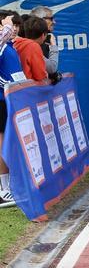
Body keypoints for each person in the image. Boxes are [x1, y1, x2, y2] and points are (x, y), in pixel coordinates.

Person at [0, 19, 25, 208]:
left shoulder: (10, 47)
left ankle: (10, 184)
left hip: (10, 99)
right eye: (9, 25)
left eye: (16, 25)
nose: (13, 28)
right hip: (1, 100)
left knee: (10, 141)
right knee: (2, 142)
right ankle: (4, 188)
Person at [13, 16, 49, 82]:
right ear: (43, 35)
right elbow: (40, 76)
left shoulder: (14, 43)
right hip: (27, 89)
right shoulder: (33, 46)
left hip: (14, 87)